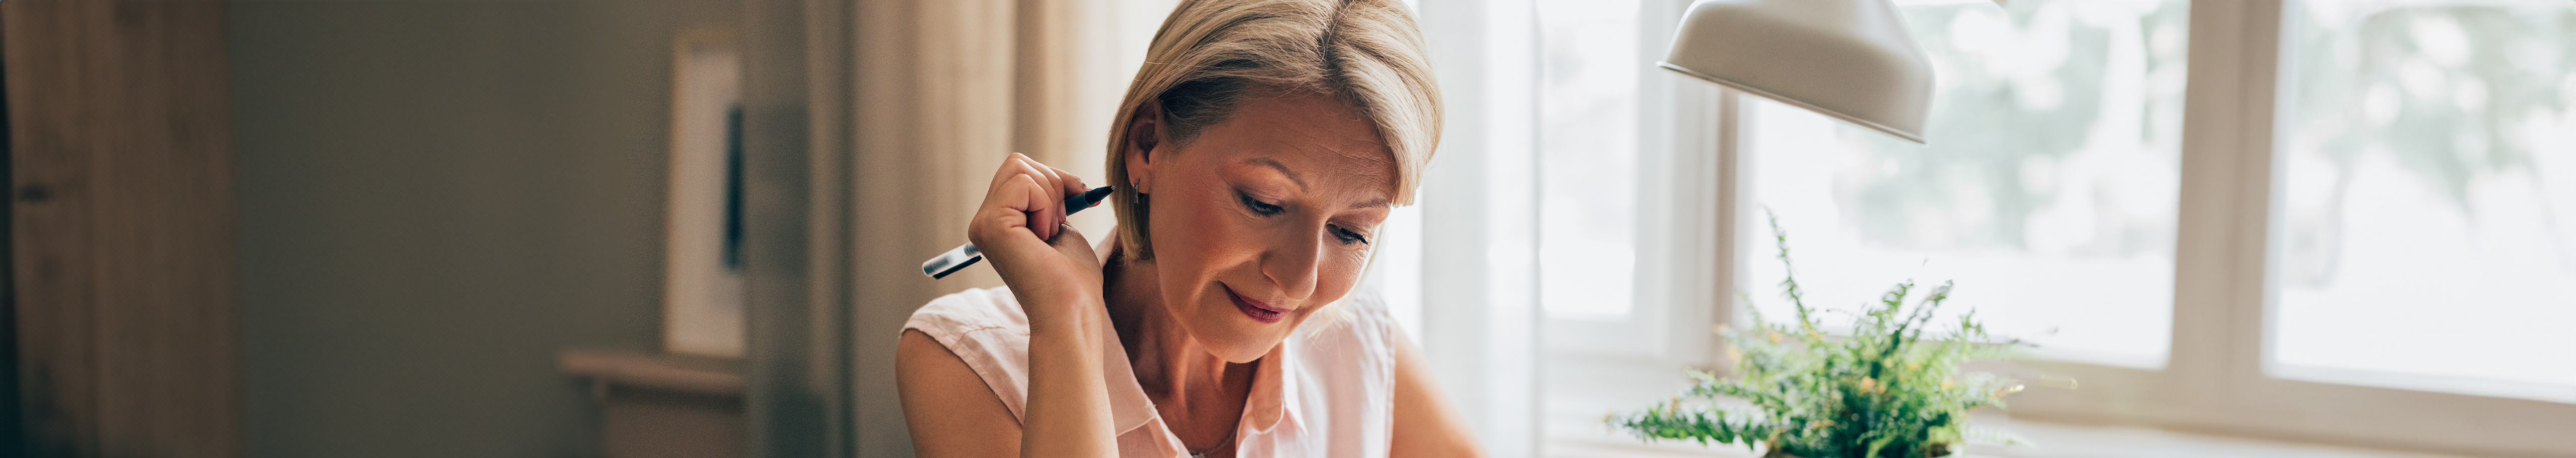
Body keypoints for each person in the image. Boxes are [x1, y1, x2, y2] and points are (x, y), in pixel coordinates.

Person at [894, 0, 1482, 456]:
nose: (1300, 279)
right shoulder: (965, 359)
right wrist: (1068, 326)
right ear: (1148, 145)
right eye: (1264, 202)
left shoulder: (1357, 343)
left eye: (1352, 232)